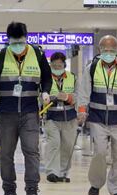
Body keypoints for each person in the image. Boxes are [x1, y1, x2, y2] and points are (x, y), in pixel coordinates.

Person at [0, 22, 52, 195]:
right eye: (14, 42)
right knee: (6, 153)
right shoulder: (0, 57)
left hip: (30, 112)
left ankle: (32, 189)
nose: (18, 46)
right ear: (9, 41)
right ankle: (9, 189)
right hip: (6, 113)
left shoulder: (37, 54)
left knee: (31, 151)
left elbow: (47, 77)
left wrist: (45, 91)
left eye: (20, 41)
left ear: (26, 38)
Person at [77, 35, 117, 195]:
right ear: (99, 50)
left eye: (112, 50)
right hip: (98, 118)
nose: (109, 53)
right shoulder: (92, 67)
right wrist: (82, 110)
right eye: (105, 50)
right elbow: (83, 92)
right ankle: (96, 184)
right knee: (100, 152)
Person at [43, 52, 77, 183]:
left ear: (64, 64)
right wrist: (50, 98)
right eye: (54, 65)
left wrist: (68, 97)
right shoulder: (45, 78)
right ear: (50, 65)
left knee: (68, 145)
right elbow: (40, 96)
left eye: (60, 65)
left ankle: (62, 172)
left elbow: (79, 95)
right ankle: (52, 172)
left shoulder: (72, 77)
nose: (57, 67)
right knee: (54, 143)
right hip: (51, 116)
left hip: (69, 117)